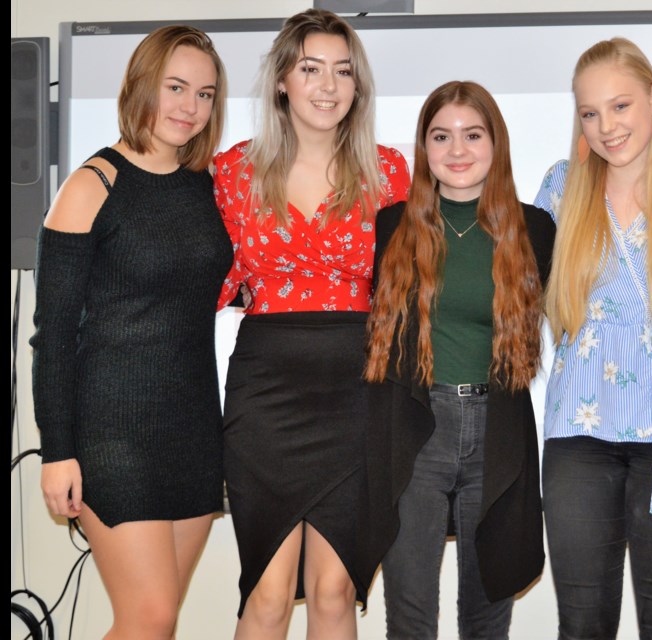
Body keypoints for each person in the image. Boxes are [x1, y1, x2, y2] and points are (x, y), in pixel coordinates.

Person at [212, 9, 410, 639]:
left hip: (357, 387)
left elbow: (413, 289)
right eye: (311, 68)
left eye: (343, 71)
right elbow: (192, 275)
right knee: (267, 596)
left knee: (334, 591)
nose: (327, 85)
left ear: (358, 87)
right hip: (265, 389)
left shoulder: (389, 173)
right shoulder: (231, 172)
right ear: (282, 82)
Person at [31, 26, 230, 638]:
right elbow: (53, 335)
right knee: (150, 617)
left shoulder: (209, 188)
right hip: (111, 433)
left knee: (158, 625)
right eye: (175, 87)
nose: (188, 107)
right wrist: (56, 450)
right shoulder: (92, 186)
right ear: (142, 83)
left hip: (193, 426)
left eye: (203, 94)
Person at [533, 38, 652, 639]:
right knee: (582, 624)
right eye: (590, 113)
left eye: (620, 106)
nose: (606, 127)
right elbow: (517, 283)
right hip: (579, 435)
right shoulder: (561, 188)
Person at [363, 80, 553, 640]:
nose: (457, 150)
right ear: (424, 148)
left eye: (473, 135)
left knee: (487, 610)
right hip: (414, 430)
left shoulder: (534, 228)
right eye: (441, 136)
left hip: (499, 430)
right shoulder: (391, 226)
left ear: (496, 144)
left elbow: (590, 302)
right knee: (411, 611)